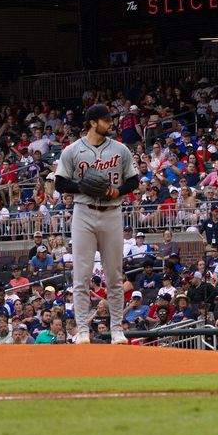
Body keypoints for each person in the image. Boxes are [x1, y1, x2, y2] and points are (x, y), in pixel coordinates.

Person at [54, 104, 140, 344]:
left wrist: (118, 191)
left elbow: (133, 180)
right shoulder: (72, 151)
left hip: (112, 213)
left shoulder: (120, 150)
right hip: (83, 212)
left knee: (114, 276)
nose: (110, 123)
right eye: (106, 120)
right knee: (81, 276)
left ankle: (116, 330)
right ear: (93, 122)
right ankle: (82, 330)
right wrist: (82, 187)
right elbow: (60, 183)